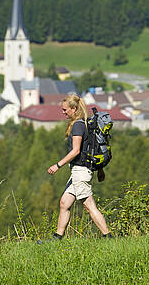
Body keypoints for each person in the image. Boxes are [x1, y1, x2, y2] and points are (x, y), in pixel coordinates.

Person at [44, 94, 112, 240]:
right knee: (64, 203)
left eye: (65, 110)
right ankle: (57, 238)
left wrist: (57, 165)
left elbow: (75, 151)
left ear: (74, 109)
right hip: (79, 171)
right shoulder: (85, 123)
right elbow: (91, 148)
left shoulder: (78, 126)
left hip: (80, 172)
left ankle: (108, 237)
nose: (63, 112)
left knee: (89, 206)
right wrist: (100, 170)